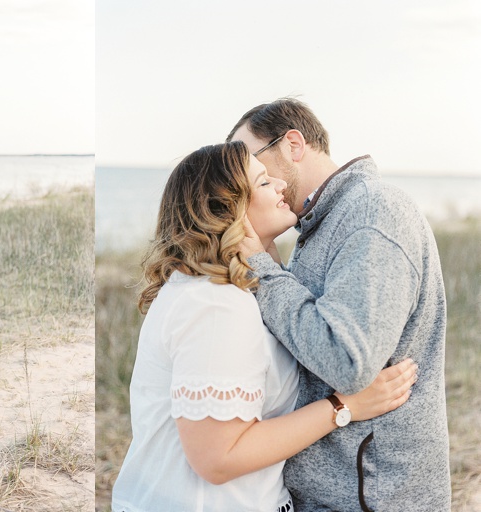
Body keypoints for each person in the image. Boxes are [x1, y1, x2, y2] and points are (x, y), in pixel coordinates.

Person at [110, 143, 417, 511]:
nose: (280, 184)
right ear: (227, 210)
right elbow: (218, 458)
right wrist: (343, 406)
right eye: (262, 181)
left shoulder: (229, 292)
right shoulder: (215, 306)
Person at [227, 98, 451, 510]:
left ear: (293, 144)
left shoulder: (372, 210)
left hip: (371, 497)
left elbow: (348, 361)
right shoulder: (321, 223)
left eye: (255, 165)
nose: (249, 185)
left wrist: (263, 268)